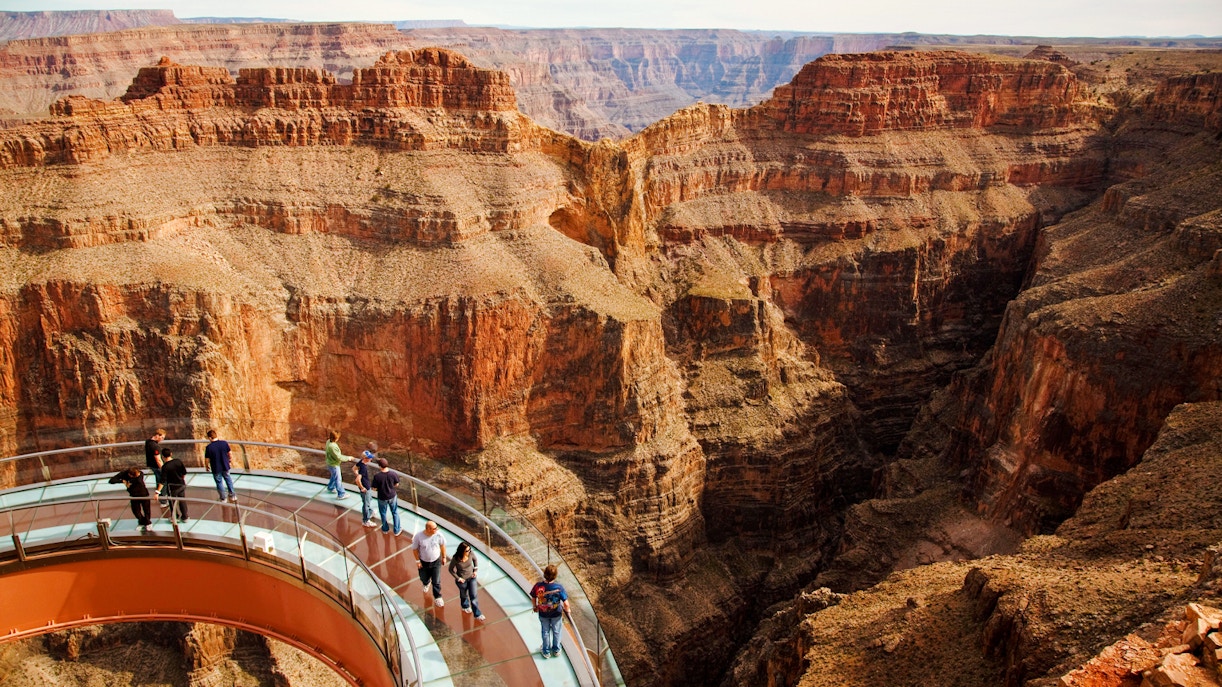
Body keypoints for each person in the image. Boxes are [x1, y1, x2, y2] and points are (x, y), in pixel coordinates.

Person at [531, 564, 570, 659]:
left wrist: (535, 606)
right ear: (555, 576)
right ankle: (556, 650)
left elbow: (533, 596)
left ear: (544, 574)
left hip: (543, 613)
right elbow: (566, 603)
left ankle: (546, 651)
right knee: (557, 631)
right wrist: (567, 610)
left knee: (545, 631)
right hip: (556, 614)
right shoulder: (559, 588)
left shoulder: (538, 586)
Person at [410, 519, 447, 606]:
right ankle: (426, 583)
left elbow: (442, 545)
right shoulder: (418, 536)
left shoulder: (439, 535)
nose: (436, 530)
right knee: (423, 577)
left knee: (436, 581)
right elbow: (414, 549)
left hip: (436, 561)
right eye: (434, 528)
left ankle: (438, 597)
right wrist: (417, 561)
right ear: (428, 529)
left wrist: (444, 557)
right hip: (424, 562)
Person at [448, 541, 485, 621]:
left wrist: (475, 571)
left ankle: (477, 614)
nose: (469, 552)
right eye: (467, 551)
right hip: (462, 581)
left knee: (473, 596)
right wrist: (458, 578)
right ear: (462, 551)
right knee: (464, 595)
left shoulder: (471, 554)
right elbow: (450, 569)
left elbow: (475, 560)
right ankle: (465, 606)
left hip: (472, 578)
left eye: (469, 550)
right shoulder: (456, 559)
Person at [108, 466, 152, 533]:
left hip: (143, 494)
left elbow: (139, 480)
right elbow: (111, 480)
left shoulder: (140, 474)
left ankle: (148, 522)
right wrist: (122, 481)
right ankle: (142, 522)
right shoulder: (124, 474)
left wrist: (128, 481)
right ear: (129, 475)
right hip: (133, 495)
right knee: (136, 511)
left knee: (146, 510)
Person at [371, 458, 401, 535]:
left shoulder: (377, 476)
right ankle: (397, 530)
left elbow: (374, 488)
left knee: (383, 513)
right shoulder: (393, 474)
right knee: (395, 512)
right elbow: (397, 484)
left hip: (382, 497)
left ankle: (385, 529)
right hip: (392, 496)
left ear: (380, 466)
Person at [205, 429, 236, 503]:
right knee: (228, 480)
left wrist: (207, 466)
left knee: (219, 482)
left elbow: (207, 459)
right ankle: (232, 496)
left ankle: (223, 498)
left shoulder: (209, 447)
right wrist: (229, 461)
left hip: (216, 468)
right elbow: (230, 453)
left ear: (210, 438)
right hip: (225, 465)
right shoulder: (224, 443)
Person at [160, 447, 189, 523]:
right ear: (171, 454)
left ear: (162, 457)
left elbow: (163, 480)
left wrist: (157, 492)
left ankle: (175, 517)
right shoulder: (178, 461)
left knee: (172, 502)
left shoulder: (165, 467)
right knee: (182, 501)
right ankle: (185, 517)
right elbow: (184, 472)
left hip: (172, 488)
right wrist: (181, 479)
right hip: (181, 484)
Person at [353, 443, 377, 527]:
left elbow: (354, 468)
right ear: (366, 459)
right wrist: (362, 488)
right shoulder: (363, 467)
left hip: (366, 487)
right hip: (365, 488)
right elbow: (357, 480)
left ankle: (370, 512)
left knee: (367, 500)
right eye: (370, 458)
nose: (371, 459)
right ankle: (366, 520)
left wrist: (357, 474)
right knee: (366, 504)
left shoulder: (360, 462)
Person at [324, 430, 351, 499]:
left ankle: (331, 487)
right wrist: (348, 458)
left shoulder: (328, 442)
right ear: (336, 438)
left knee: (334, 476)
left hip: (330, 462)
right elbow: (339, 457)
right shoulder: (332, 447)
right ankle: (341, 494)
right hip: (334, 465)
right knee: (338, 479)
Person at [144, 428, 166, 507]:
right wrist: (164, 469)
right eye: (162, 437)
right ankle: (163, 501)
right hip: (157, 467)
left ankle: (161, 497)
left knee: (158, 480)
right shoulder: (155, 447)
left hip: (152, 465)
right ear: (157, 435)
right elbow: (158, 460)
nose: (162, 439)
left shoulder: (148, 441)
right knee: (163, 482)